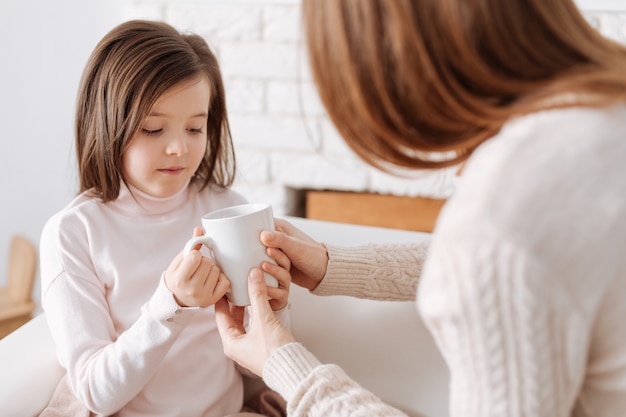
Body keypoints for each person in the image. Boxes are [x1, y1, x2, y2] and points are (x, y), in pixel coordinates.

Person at [214, 0, 626, 416]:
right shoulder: (603, 108)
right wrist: (332, 263)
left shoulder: (505, 210)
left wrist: (286, 366)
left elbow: (502, 252)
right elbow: (537, 260)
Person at [39, 20, 291, 417]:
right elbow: (94, 392)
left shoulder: (226, 209)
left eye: (195, 127)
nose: (179, 147)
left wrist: (273, 304)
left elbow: (257, 351)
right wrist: (170, 305)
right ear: (107, 124)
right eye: (153, 129)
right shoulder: (75, 233)